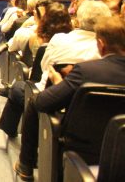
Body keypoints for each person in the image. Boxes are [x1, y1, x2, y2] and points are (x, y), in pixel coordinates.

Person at [13, 16, 125, 181]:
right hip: (121, 152)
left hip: (81, 148)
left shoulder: (85, 71)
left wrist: (59, 82)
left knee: (34, 101)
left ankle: (25, 166)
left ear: (101, 45)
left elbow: (43, 102)